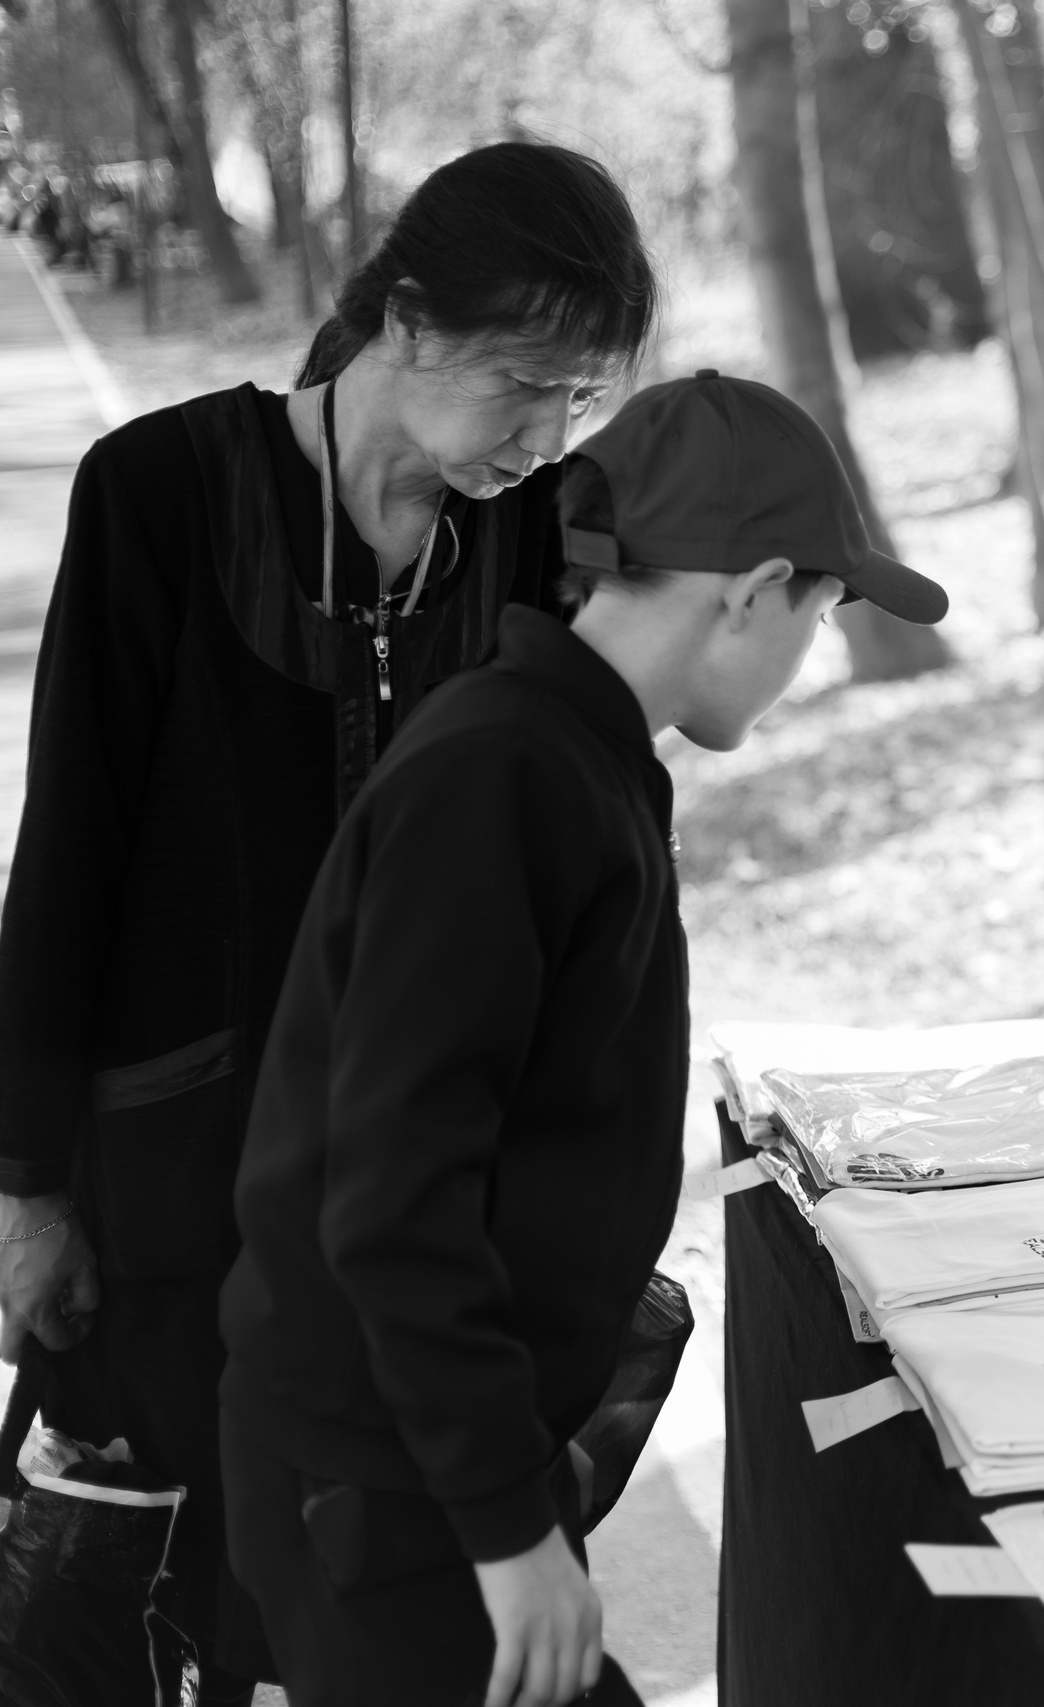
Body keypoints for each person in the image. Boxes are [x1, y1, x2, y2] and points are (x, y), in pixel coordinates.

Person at [0, 142, 656, 1697]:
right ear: (406, 321)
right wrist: (25, 1186)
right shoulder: (159, 494)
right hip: (181, 1181)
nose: (546, 431)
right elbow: (70, 847)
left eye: (581, 397)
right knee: (186, 1606)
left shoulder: (532, 535)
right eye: (525, 380)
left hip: (419, 1197)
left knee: (369, 1610)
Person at [218, 370, 950, 1706]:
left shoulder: (577, 749)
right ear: (750, 590)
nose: (817, 649)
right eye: (824, 609)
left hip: (423, 1452)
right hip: (379, 1476)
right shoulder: (503, 776)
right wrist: (505, 1525)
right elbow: (389, 1194)